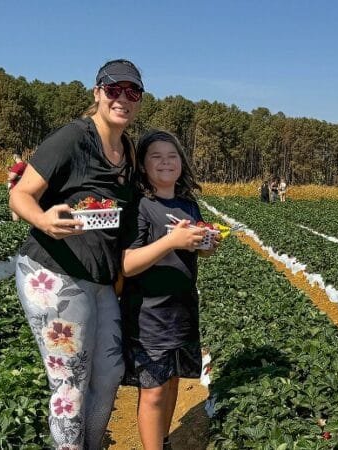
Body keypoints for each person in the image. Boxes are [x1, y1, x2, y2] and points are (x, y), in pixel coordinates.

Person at [9, 59, 144, 449]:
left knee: (108, 371)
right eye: (113, 89)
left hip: (98, 278)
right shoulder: (74, 137)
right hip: (53, 272)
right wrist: (45, 220)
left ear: (139, 99)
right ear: (97, 92)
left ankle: (92, 443)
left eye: (131, 91)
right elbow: (20, 194)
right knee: (70, 381)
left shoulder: (127, 151)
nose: (122, 98)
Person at [120, 130, 219, 450]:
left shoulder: (188, 205)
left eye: (172, 155)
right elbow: (127, 264)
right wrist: (171, 241)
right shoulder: (140, 207)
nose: (165, 162)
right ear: (143, 166)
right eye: (156, 156)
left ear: (182, 162)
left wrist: (207, 243)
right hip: (149, 313)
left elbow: (196, 250)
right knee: (153, 390)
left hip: (183, 308)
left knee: (173, 378)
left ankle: (162, 440)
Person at [7, 151, 28, 221]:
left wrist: (9, 174)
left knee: (14, 206)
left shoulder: (18, 165)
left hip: (15, 188)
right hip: (24, 188)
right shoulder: (25, 165)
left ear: (15, 157)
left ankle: (16, 222)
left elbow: (12, 177)